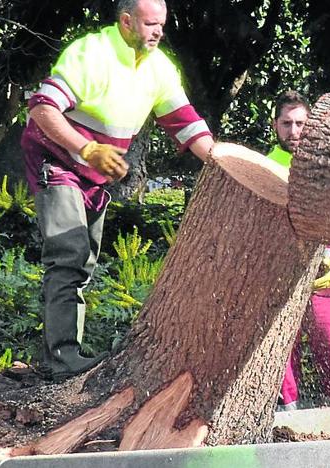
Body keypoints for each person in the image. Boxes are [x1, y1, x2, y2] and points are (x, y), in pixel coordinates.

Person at [21, 0, 215, 379]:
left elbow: (186, 124)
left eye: (162, 24)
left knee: (85, 260)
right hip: (56, 161)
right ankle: (61, 360)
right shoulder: (90, 54)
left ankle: (67, 353)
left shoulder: (160, 68)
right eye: (150, 24)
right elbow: (41, 110)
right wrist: (87, 149)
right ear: (126, 22)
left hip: (94, 177)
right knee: (69, 252)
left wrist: (224, 165)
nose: (158, 31)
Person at [266, 91, 330, 410]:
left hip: (325, 284)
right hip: (280, 284)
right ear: (275, 126)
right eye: (286, 124)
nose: (293, 131)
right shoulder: (264, 169)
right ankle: (285, 428)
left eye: (300, 124)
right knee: (280, 363)